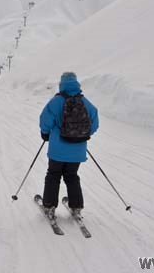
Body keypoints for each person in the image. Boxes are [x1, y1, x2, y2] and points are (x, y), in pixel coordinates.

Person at [39, 72, 99, 217]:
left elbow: (45, 120)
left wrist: (45, 133)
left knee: (53, 175)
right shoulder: (85, 102)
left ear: (62, 84)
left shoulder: (56, 101)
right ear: (76, 83)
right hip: (77, 151)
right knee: (72, 176)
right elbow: (95, 123)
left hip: (57, 150)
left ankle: (49, 206)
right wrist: (82, 134)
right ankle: (76, 206)